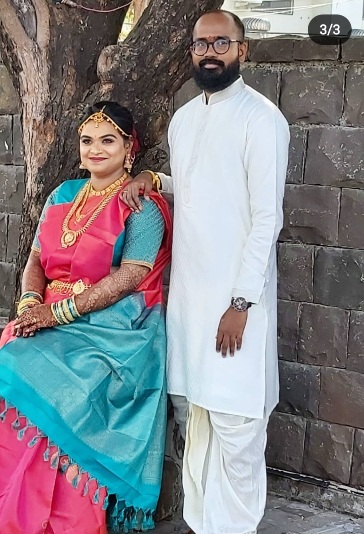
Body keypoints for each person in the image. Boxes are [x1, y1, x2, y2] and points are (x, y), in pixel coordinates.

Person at [0, 101, 172, 534]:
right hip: (50, 317)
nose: (96, 150)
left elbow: (130, 278)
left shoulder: (143, 205)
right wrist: (30, 304)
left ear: (129, 149)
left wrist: (57, 313)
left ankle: (61, 520)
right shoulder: (62, 194)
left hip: (115, 330)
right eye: (88, 141)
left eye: (108, 141)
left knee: (22, 365)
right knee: (15, 355)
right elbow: (35, 260)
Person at [121, 10, 290, 534]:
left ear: (243, 50)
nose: (210, 52)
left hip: (237, 305)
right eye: (201, 44)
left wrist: (241, 303)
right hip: (191, 302)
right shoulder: (184, 119)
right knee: (194, 419)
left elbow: (266, 219)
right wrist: (156, 180)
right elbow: (201, 189)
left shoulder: (262, 120)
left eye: (221, 42)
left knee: (237, 427)